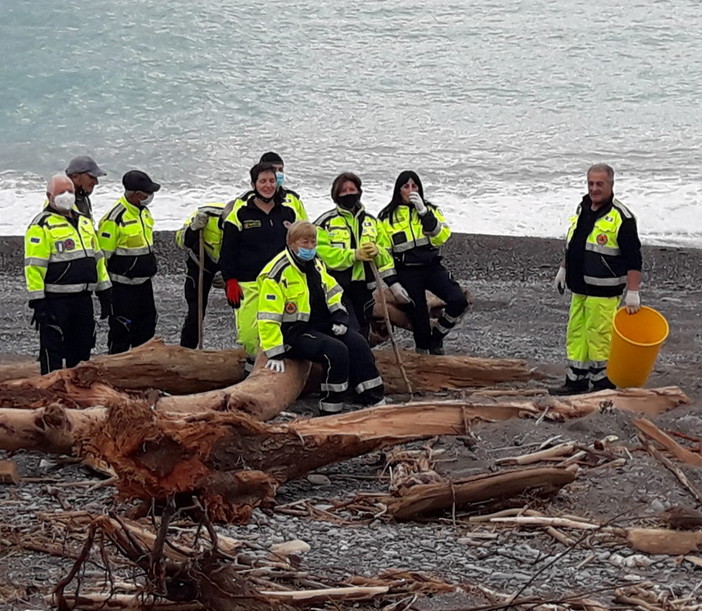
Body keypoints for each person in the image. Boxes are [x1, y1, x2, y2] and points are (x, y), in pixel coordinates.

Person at [257, 221, 385, 413]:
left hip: (321, 324)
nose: (310, 247)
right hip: (293, 333)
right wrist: (274, 351)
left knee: (358, 343)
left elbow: (332, 291)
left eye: (313, 242)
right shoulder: (277, 273)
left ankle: (373, 397)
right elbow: (268, 317)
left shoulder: (316, 264)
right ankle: (331, 407)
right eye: (305, 242)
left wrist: (340, 317)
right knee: (336, 351)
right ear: (292, 243)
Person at [551, 163, 642, 395]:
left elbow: (634, 260)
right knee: (576, 334)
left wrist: (633, 292)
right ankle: (576, 380)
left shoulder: (622, 217)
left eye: (599, 184)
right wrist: (563, 268)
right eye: (590, 183)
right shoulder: (583, 209)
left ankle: (603, 383)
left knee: (599, 336)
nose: (594, 188)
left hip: (604, 292)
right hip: (579, 287)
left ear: (611, 185)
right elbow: (574, 244)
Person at [220, 162, 307, 363]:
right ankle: (253, 374)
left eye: (271, 181)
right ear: (254, 184)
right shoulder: (240, 213)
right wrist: (229, 280)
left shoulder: (288, 212)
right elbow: (228, 250)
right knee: (250, 335)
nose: (267, 185)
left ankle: (278, 374)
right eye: (262, 181)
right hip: (249, 284)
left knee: (283, 330)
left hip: (282, 283)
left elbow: (302, 244)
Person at [24, 175, 112, 374]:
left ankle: (78, 395)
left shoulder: (84, 222)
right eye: (61, 192)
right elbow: (33, 267)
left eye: (70, 192)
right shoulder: (41, 225)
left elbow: (97, 259)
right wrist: (38, 302)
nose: (67, 196)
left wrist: (105, 291)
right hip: (56, 300)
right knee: (53, 351)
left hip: (83, 298)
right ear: (49, 195)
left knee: (82, 349)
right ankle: (51, 396)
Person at [378, 171, 468, 355]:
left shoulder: (430, 210)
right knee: (419, 317)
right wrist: (393, 283)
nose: (411, 190)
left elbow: (441, 237)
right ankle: (423, 356)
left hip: (431, 266)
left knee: (458, 300)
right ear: (398, 190)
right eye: (406, 186)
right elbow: (383, 255)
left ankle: (437, 337)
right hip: (406, 271)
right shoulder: (386, 217)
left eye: (414, 186)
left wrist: (424, 213)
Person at [315, 172, 411, 339]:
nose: (349, 194)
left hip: (365, 287)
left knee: (364, 326)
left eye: (352, 189)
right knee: (351, 330)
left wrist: (392, 281)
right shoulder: (325, 222)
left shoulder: (372, 222)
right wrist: (353, 255)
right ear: (336, 195)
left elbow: (386, 254)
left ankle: (362, 361)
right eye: (344, 191)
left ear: (359, 192)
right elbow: (321, 253)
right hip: (337, 286)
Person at [97, 170, 160, 354]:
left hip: (144, 284)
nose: (150, 197)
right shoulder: (114, 219)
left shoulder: (144, 213)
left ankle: (142, 370)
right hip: (122, 288)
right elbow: (101, 258)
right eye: (147, 193)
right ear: (135, 194)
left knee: (147, 328)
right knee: (121, 331)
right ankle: (116, 370)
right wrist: (104, 291)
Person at [175, 202, 226, 348]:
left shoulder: (242, 221)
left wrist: (229, 275)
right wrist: (193, 229)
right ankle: (186, 351)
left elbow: (248, 254)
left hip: (228, 268)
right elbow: (181, 241)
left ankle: (249, 351)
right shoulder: (205, 216)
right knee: (195, 314)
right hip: (200, 265)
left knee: (244, 308)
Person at [65, 155, 107, 220]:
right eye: (92, 177)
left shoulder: (83, 198)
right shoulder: (61, 203)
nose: (96, 182)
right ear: (75, 176)